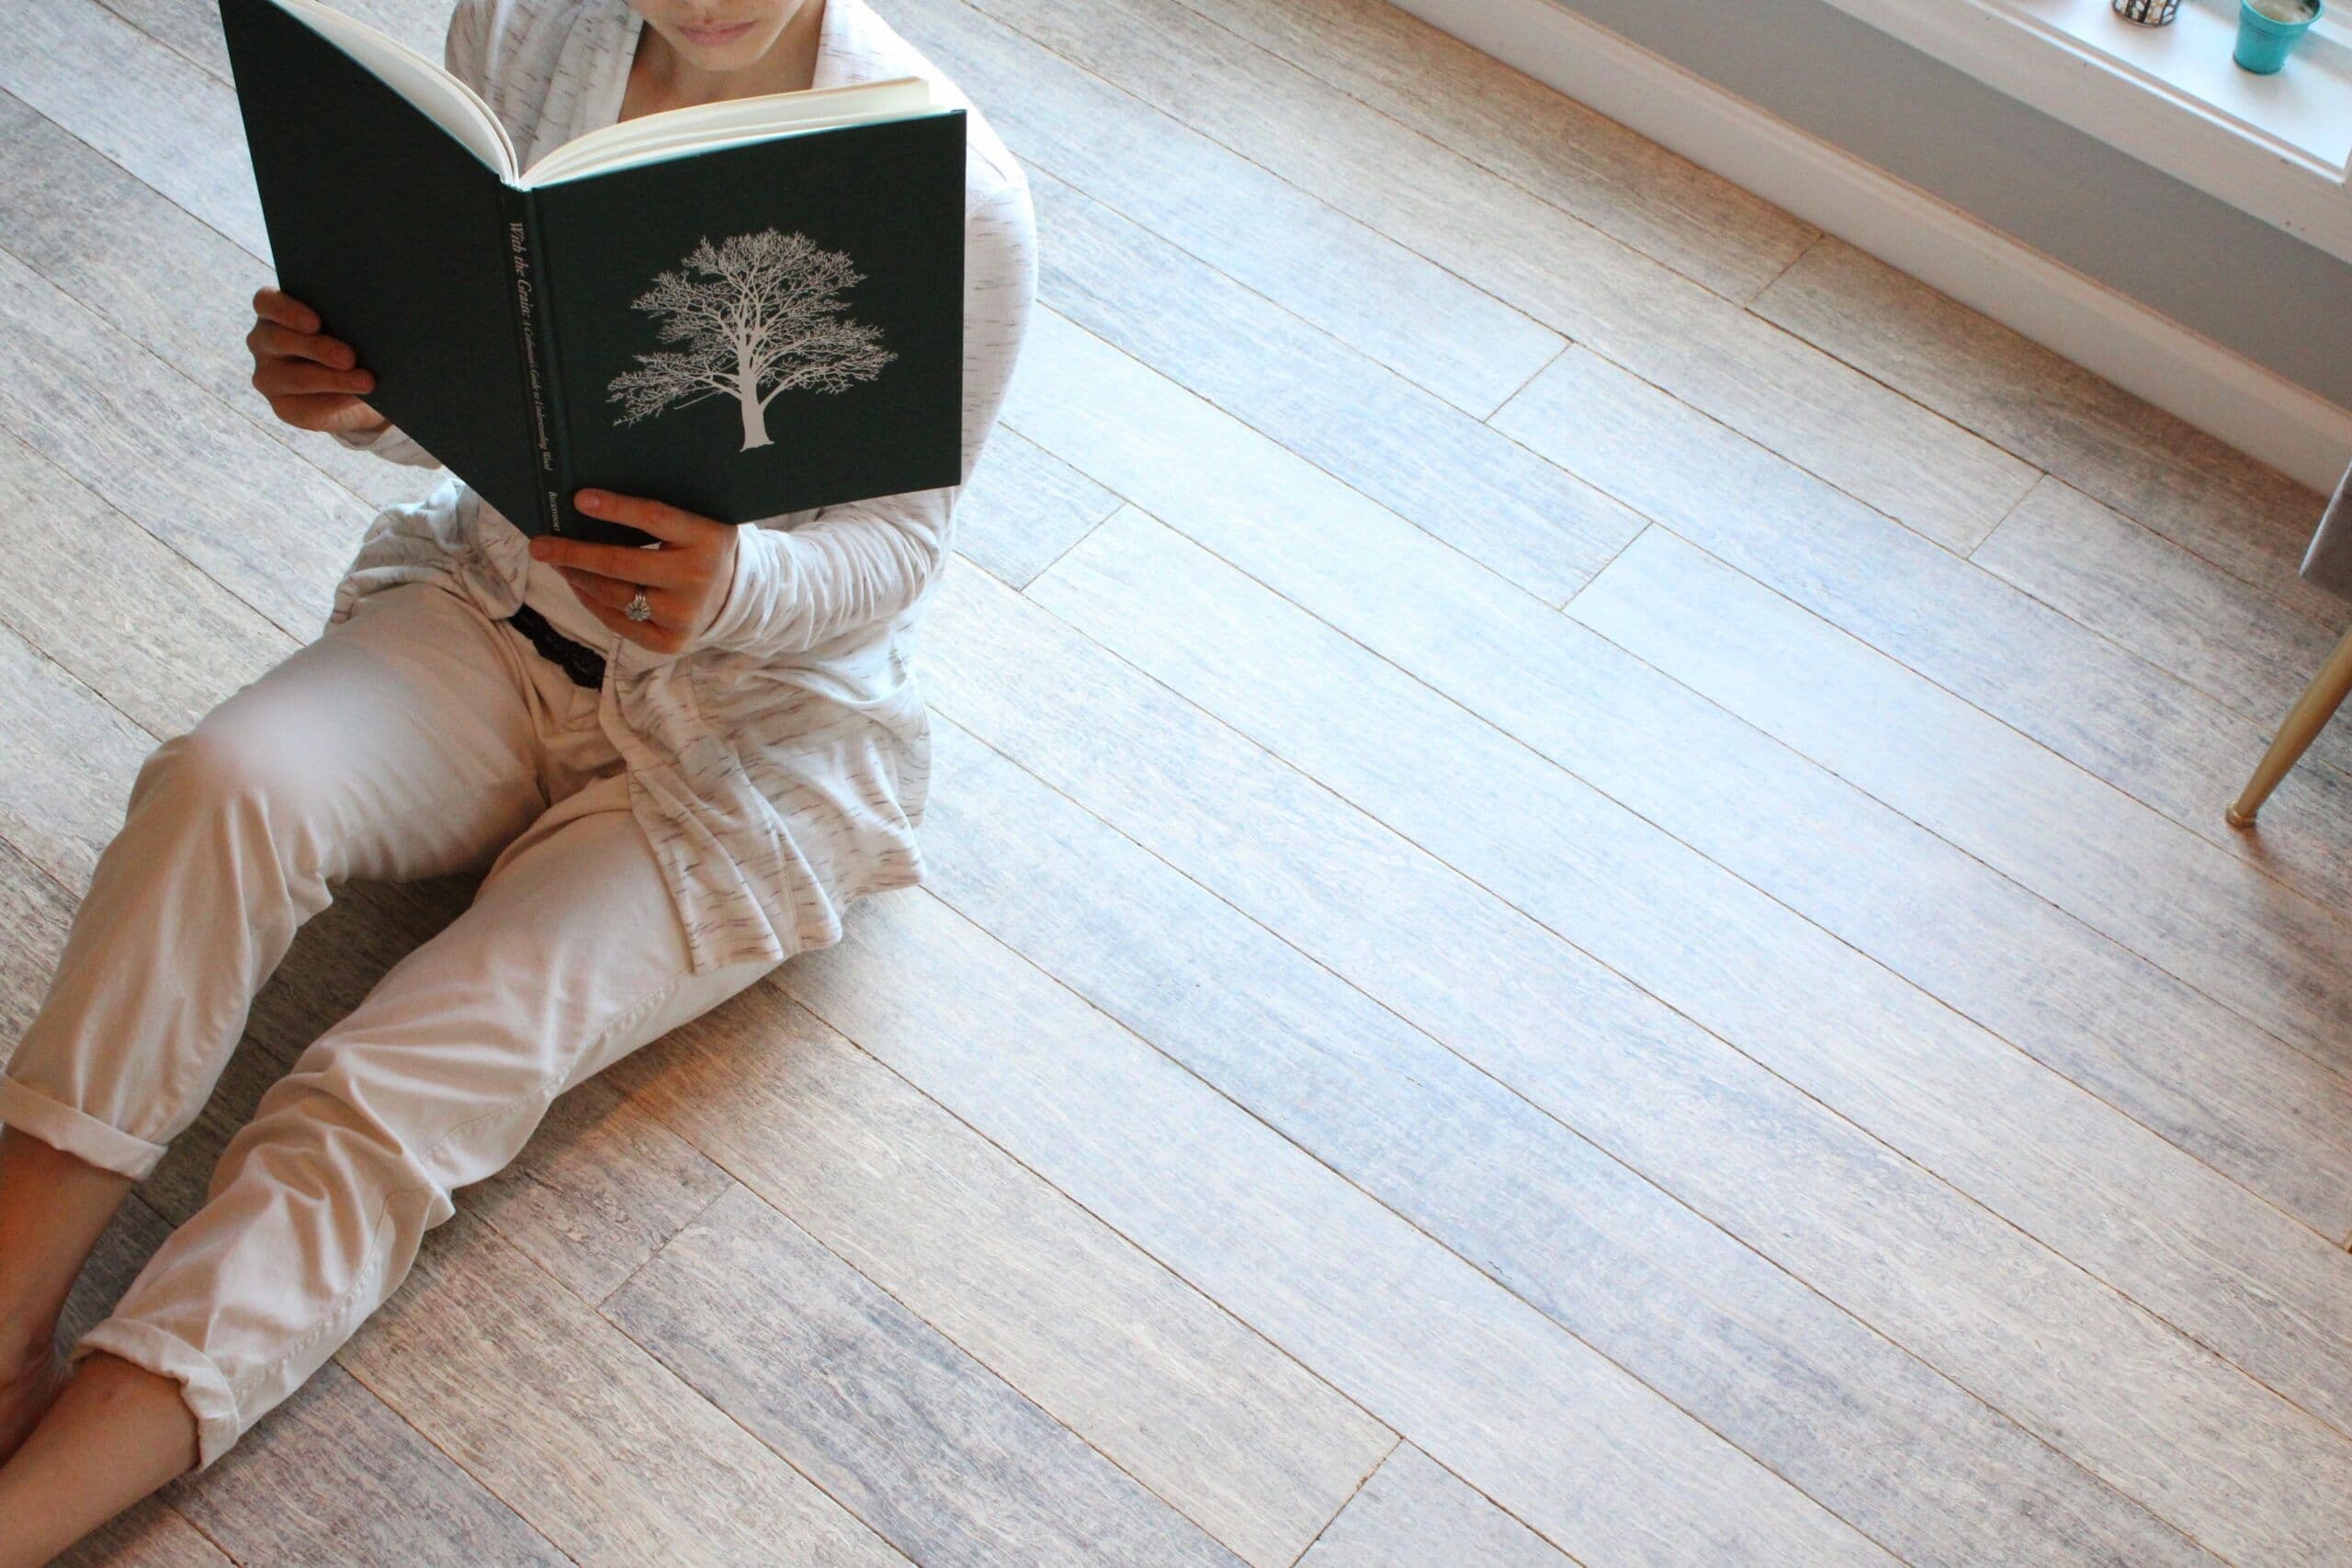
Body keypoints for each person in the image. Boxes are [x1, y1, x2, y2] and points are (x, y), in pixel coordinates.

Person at [0, 0, 1036, 1553]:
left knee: (394, 1087)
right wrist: (350, 390)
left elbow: (900, 544)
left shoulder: (954, 191)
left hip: (742, 752)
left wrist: (732, 589)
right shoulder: (524, 29)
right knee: (224, 785)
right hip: (492, 615)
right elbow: (477, 383)